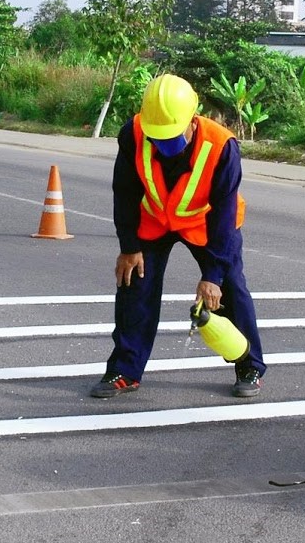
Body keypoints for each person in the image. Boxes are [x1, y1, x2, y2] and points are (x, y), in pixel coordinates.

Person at [92, 73, 266, 400]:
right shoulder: (133, 133)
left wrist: (212, 275)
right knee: (134, 283)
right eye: (157, 136)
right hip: (156, 219)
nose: (164, 144)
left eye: (172, 136)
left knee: (230, 288)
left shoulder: (221, 146)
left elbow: (224, 213)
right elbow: (125, 192)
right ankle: (124, 371)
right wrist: (129, 247)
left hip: (206, 223)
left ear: (193, 121)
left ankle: (249, 364)